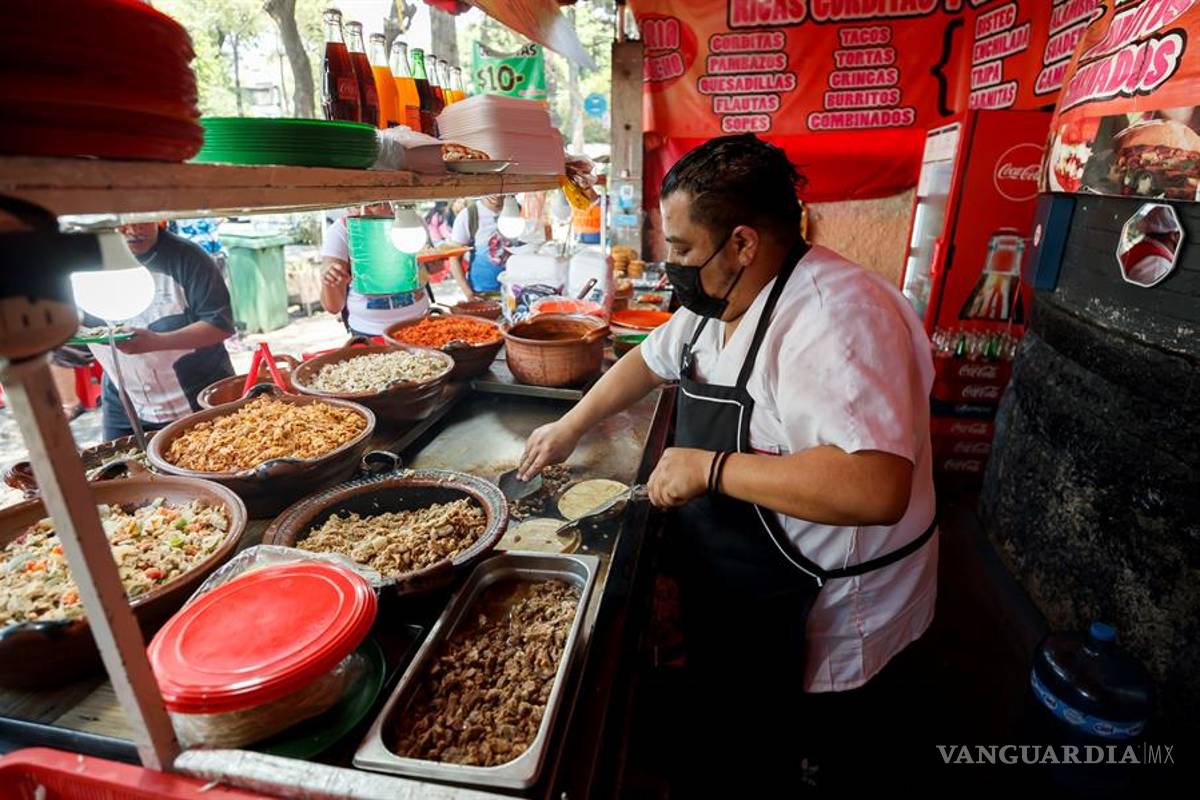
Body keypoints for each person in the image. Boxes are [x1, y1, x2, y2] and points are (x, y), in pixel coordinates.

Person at [517, 134, 937, 789]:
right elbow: (647, 359)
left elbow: (876, 487)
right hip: (747, 590)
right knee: (740, 738)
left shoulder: (836, 319)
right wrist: (572, 425)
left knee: (804, 755)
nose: (670, 265)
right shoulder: (720, 302)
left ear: (743, 242)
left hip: (828, 603)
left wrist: (711, 469)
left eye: (681, 248)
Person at [86, 222, 236, 441]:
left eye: (141, 220)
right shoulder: (85, 266)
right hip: (126, 405)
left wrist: (156, 341)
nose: (133, 230)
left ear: (159, 217)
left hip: (198, 397)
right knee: (117, 469)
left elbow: (219, 324)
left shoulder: (188, 257)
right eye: (121, 224)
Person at [321, 203, 431, 336]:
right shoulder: (342, 230)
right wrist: (330, 283)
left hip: (421, 324)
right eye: (355, 206)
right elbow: (333, 307)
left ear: (391, 202)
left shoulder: (412, 222)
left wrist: (433, 265)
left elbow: (425, 271)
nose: (364, 212)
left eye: (374, 205)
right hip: (370, 332)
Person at [448, 195, 510, 300]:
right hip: (482, 293)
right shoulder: (468, 215)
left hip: (518, 291)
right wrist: (469, 294)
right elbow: (454, 258)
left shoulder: (521, 211)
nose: (497, 194)